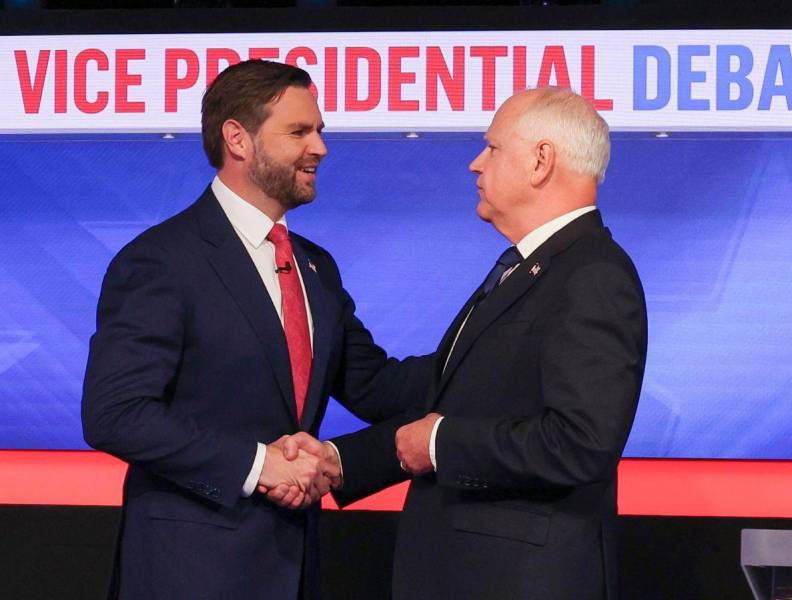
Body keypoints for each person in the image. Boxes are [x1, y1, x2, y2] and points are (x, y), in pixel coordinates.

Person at [81, 60, 425, 600]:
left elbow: (375, 386)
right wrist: (259, 464)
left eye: (320, 131)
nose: (320, 148)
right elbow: (116, 415)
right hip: (188, 574)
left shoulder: (316, 267)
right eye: (299, 131)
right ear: (237, 139)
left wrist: (483, 352)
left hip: (293, 567)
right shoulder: (162, 260)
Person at [289, 87, 647, 599]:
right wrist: (338, 461)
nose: (476, 164)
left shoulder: (591, 275)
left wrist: (438, 444)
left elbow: (580, 444)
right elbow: (441, 393)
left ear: (541, 161)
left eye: (493, 148)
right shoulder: (528, 271)